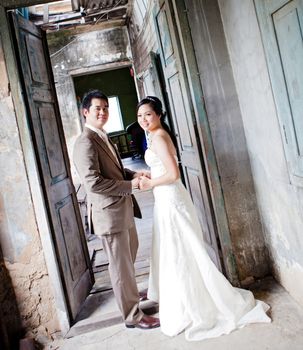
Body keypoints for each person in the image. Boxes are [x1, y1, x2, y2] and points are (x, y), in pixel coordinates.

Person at [136, 96, 271, 341]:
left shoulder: (159, 137)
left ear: (158, 114)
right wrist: (152, 174)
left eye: (148, 114)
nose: (144, 119)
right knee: (175, 251)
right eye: (140, 116)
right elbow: (164, 168)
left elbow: (174, 174)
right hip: (165, 198)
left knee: (182, 251)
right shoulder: (156, 135)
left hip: (170, 197)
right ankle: (184, 301)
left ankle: (196, 306)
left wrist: (149, 183)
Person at [73, 90, 160, 330]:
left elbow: (115, 172)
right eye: (97, 108)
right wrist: (130, 185)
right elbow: (93, 183)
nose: (102, 112)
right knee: (120, 268)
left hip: (122, 210)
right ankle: (133, 316)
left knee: (128, 259)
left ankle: (130, 297)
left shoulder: (103, 136)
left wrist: (135, 174)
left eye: (105, 108)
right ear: (85, 112)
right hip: (109, 215)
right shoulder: (85, 142)